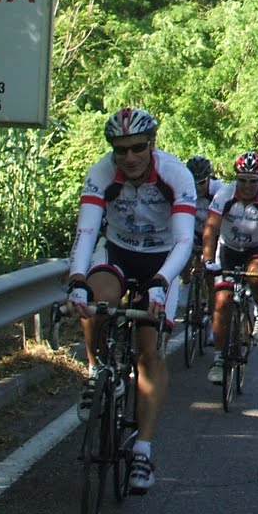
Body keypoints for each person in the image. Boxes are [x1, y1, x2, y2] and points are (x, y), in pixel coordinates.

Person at [65, 106, 196, 493]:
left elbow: (184, 240)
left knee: (149, 351)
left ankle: (142, 448)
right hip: (118, 251)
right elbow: (86, 231)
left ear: (152, 143)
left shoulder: (175, 174)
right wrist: (77, 281)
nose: (130, 157)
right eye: (120, 150)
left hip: (162, 259)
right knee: (96, 301)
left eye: (138, 147)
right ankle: (95, 370)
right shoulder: (101, 173)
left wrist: (160, 281)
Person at [202, 151, 258, 385]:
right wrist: (208, 260)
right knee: (221, 301)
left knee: (255, 276)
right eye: (242, 180)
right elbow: (211, 230)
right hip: (228, 249)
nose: (247, 186)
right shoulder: (224, 195)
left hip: (256, 248)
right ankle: (218, 360)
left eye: (253, 181)